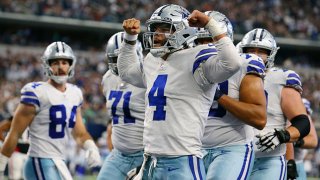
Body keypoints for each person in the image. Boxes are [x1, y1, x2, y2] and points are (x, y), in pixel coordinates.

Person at [118, 4, 241, 179]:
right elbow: (126, 72)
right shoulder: (152, 60)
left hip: (182, 160)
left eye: (164, 29)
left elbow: (232, 64)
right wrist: (129, 39)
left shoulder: (198, 57)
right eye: (155, 29)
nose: (157, 34)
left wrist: (210, 24)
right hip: (150, 160)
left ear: (182, 31)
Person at [0, 41, 102, 180]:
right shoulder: (36, 92)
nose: (60, 67)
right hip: (39, 160)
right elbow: (14, 133)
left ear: (71, 65)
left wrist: (91, 147)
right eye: (55, 63)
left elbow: (79, 132)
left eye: (65, 62)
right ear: (47, 65)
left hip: (60, 161)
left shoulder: (75, 93)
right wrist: (1, 165)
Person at [197, 11, 267, 180]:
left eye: (211, 39)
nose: (206, 45)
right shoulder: (187, 63)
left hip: (231, 148)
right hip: (192, 149)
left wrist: (219, 96)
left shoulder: (246, 63)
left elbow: (259, 119)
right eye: (200, 40)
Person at [239, 28, 311, 180]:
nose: (255, 55)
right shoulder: (230, 74)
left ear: (271, 54)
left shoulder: (281, 78)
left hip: (267, 159)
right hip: (234, 155)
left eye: (261, 51)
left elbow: (302, 123)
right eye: (250, 50)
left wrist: (282, 136)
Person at [97, 32, 146, 180]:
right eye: (116, 59)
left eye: (124, 57)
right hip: (119, 155)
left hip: (145, 154)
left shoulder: (148, 76)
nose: (120, 64)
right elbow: (115, 115)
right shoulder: (107, 79)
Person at [286, 98, 318, 180]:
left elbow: (313, 141)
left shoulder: (303, 109)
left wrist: (296, 141)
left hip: (297, 163)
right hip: (277, 161)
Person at [0, 115, 29, 180]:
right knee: (15, 176)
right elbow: (1, 129)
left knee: (26, 176)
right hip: (17, 151)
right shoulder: (17, 118)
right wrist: (7, 142)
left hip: (30, 152)